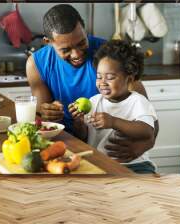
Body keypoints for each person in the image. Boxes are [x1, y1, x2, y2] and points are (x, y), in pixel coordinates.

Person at [26, 4, 158, 166]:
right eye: (66, 49)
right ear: (48, 42)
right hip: (64, 144)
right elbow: (42, 121)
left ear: (84, 30)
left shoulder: (108, 54)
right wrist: (46, 112)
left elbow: (149, 119)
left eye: (82, 43)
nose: (77, 54)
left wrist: (142, 147)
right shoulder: (36, 64)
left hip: (114, 153)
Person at [68, 40, 157, 173]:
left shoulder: (138, 101)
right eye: (99, 77)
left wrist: (113, 122)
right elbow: (84, 137)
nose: (102, 83)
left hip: (135, 164)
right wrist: (79, 123)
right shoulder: (93, 102)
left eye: (109, 77)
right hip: (100, 163)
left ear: (129, 79)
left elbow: (147, 131)